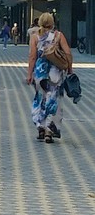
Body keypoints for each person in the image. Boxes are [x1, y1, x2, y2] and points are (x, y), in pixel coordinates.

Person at [26, 11, 72, 142]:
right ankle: (49, 130)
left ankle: (40, 126)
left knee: (40, 98)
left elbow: (32, 56)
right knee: (53, 100)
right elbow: (68, 53)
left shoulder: (35, 37)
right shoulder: (58, 35)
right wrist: (70, 68)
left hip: (40, 72)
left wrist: (29, 74)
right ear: (52, 23)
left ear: (40, 22)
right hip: (55, 72)